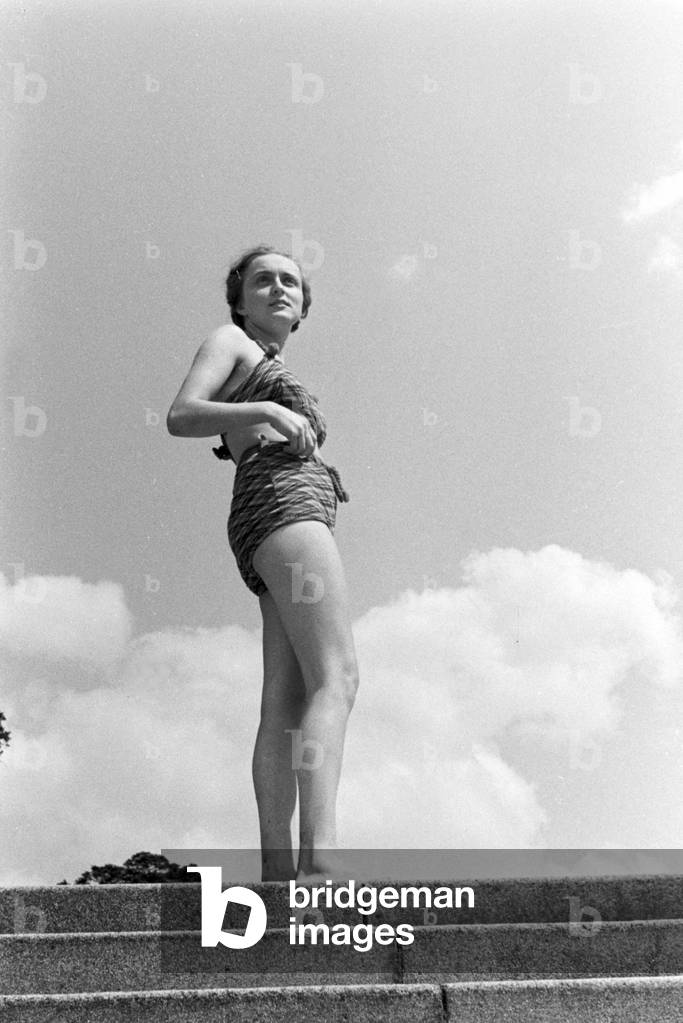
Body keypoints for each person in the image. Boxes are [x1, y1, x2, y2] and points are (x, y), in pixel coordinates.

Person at [167, 245, 359, 883]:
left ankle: (280, 871)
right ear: (239, 300)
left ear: (303, 308)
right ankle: (322, 862)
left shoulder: (264, 358)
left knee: (287, 695)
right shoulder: (229, 340)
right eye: (262, 280)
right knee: (338, 678)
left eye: (291, 282)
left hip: (270, 506)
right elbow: (181, 416)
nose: (279, 288)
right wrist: (268, 409)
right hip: (281, 502)